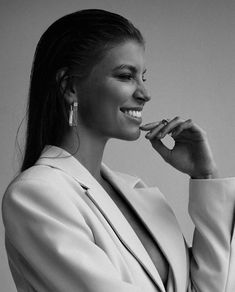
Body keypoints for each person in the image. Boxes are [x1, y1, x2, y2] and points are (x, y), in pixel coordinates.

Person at [2, 9, 235, 292]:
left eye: (143, 77)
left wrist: (205, 177)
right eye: (126, 76)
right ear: (69, 87)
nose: (144, 93)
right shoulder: (37, 194)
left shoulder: (136, 192)